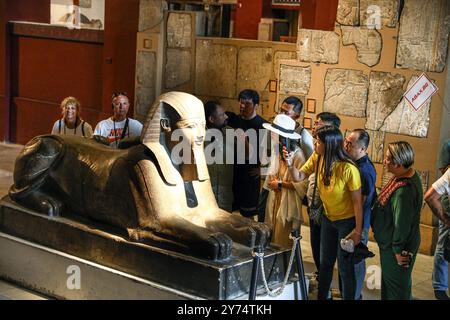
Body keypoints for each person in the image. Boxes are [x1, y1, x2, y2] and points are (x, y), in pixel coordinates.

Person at [286, 125, 363, 300]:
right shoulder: (318, 158)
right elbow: (298, 177)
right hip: (328, 218)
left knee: (345, 267)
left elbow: (358, 203)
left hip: (347, 222)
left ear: (328, 144)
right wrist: (290, 163)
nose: (314, 144)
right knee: (325, 263)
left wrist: (358, 231)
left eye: (318, 141)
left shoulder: (348, 169)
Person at [371, 141, 423, 300]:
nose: (384, 161)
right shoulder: (406, 175)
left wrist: (398, 250)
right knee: (389, 284)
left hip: (397, 248)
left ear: (399, 163)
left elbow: (402, 224)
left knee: (397, 289)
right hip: (390, 243)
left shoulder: (403, 192)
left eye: (388, 159)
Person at [262, 114, 307, 247]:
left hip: (288, 202)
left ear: (282, 137)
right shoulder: (278, 150)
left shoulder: (298, 155)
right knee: (272, 234)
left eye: (273, 133)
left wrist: (281, 184)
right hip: (274, 197)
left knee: (283, 237)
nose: (271, 135)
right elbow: (273, 171)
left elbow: (302, 184)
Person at [307, 112, 341, 276]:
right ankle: (321, 277)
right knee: (315, 243)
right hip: (314, 207)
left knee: (326, 250)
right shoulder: (317, 153)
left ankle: (325, 283)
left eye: (319, 124)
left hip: (330, 213)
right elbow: (301, 173)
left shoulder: (340, 161)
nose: (314, 127)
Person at [344, 129, 377, 299]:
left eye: (351, 144)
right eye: (346, 141)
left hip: (357, 224)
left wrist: (357, 231)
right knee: (347, 264)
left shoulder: (365, 171)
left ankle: (355, 296)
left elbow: (362, 202)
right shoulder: (353, 164)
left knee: (354, 264)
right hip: (349, 221)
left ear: (363, 149)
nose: (346, 146)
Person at [225, 89, 268, 218]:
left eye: (247, 104)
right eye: (241, 103)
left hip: (250, 177)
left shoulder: (263, 126)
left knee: (247, 215)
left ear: (256, 106)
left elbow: (271, 153)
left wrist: (263, 170)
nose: (242, 106)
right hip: (232, 173)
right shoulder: (233, 120)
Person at [426, 138, 450, 300]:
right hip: (447, 202)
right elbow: (443, 169)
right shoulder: (448, 144)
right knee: (444, 245)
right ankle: (440, 286)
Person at [204, 100, 234, 212]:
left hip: (225, 199)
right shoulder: (198, 137)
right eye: (221, 115)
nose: (226, 116)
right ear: (211, 119)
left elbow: (247, 156)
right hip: (205, 198)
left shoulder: (231, 134)